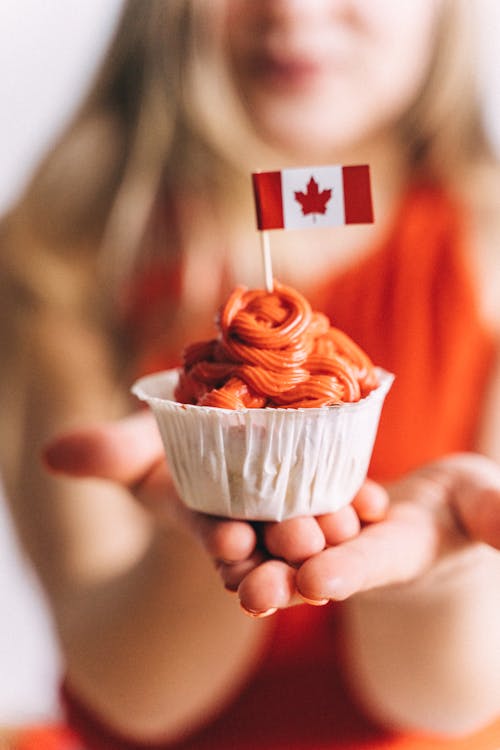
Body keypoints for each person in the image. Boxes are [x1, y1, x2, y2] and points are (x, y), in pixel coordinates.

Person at [1, 1, 500, 748]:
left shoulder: (485, 256)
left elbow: (445, 702)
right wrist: (199, 522)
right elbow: (133, 694)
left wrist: (438, 574)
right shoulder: (69, 257)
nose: (293, 10)